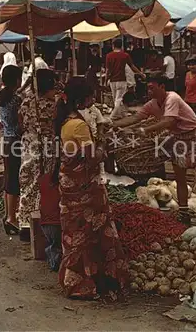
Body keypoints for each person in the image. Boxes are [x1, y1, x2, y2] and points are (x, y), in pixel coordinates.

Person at [55, 77, 128, 300]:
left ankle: (76, 279)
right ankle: (90, 282)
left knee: (75, 234)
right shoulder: (78, 126)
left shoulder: (66, 121)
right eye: (91, 95)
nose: (93, 99)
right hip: (85, 189)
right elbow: (92, 158)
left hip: (71, 188)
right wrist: (104, 143)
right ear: (82, 97)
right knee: (89, 235)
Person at [113, 75, 196, 224]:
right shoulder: (152, 104)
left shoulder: (172, 98)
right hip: (179, 138)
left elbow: (169, 121)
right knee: (180, 176)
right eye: (148, 88)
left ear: (162, 87)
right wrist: (112, 124)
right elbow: (135, 118)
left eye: (152, 88)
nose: (149, 91)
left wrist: (144, 130)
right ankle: (184, 213)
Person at [17, 69, 59, 230]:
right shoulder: (51, 105)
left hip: (28, 144)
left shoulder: (26, 102)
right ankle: (39, 221)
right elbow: (56, 124)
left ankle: (25, 222)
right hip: (45, 146)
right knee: (43, 182)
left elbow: (20, 121)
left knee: (27, 182)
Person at [0, 65, 23, 235]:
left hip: (7, 140)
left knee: (9, 178)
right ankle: (11, 218)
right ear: (16, 80)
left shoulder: (2, 97)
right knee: (14, 179)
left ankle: (9, 215)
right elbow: (21, 124)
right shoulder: (16, 100)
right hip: (16, 141)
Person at [105, 38, 145, 118]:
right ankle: (113, 116)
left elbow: (107, 70)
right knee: (119, 99)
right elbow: (132, 66)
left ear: (113, 46)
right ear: (122, 46)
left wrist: (105, 80)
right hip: (122, 80)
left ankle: (121, 114)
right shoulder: (125, 55)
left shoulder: (108, 56)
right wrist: (141, 73)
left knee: (115, 98)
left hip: (112, 80)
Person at [78, 94, 107, 184]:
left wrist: (100, 133)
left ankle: (102, 173)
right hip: (83, 138)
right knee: (87, 156)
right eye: (91, 98)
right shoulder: (78, 111)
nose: (94, 100)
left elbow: (100, 122)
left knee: (100, 152)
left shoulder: (94, 109)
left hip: (94, 137)